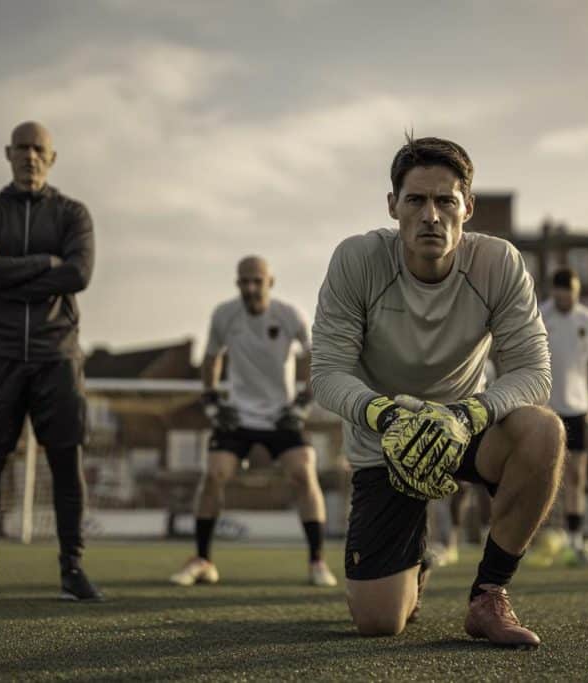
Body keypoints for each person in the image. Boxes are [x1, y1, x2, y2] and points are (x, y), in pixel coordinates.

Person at [311, 135, 564, 648]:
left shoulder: (499, 263)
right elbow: (328, 374)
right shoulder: (357, 260)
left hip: (464, 427)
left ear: (466, 207)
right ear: (392, 206)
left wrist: (469, 415)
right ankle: (416, 565)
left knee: (543, 431)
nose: (431, 215)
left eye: (445, 200)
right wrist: (384, 414)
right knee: (379, 623)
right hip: (384, 439)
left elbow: (534, 371)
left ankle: (489, 594)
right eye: (416, 200)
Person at [0, 121, 100, 603]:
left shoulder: (73, 214)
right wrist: (43, 264)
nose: (30, 156)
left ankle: (72, 570)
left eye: (39, 149)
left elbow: (78, 274)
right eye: (22, 148)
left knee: (65, 460)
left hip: (56, 354)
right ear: (7, 154)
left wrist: (5, 272)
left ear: (51, 158)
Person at [170, 256, 338, 588]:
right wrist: (211, 403)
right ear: (238, 284)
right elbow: (211, 357)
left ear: (269, 283)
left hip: (281, 416)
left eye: (256, 281)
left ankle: (317, 561)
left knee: (304, 470)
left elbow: (312, 356)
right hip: (239, 415)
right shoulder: (224, 314)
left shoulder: (289, 315)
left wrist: (302, 403)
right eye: (244, 281)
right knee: (214, 473)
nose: (250, 288)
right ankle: (203, 560)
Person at [529, 267, 588, 567]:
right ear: (554, 292)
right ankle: (530, 539)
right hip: (547, 408)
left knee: (577, 476)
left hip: (578, 409)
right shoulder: (540, 316)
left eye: (572, 294)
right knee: (540, 476)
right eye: (563, 294)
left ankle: (575, 542)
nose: (568, 299)